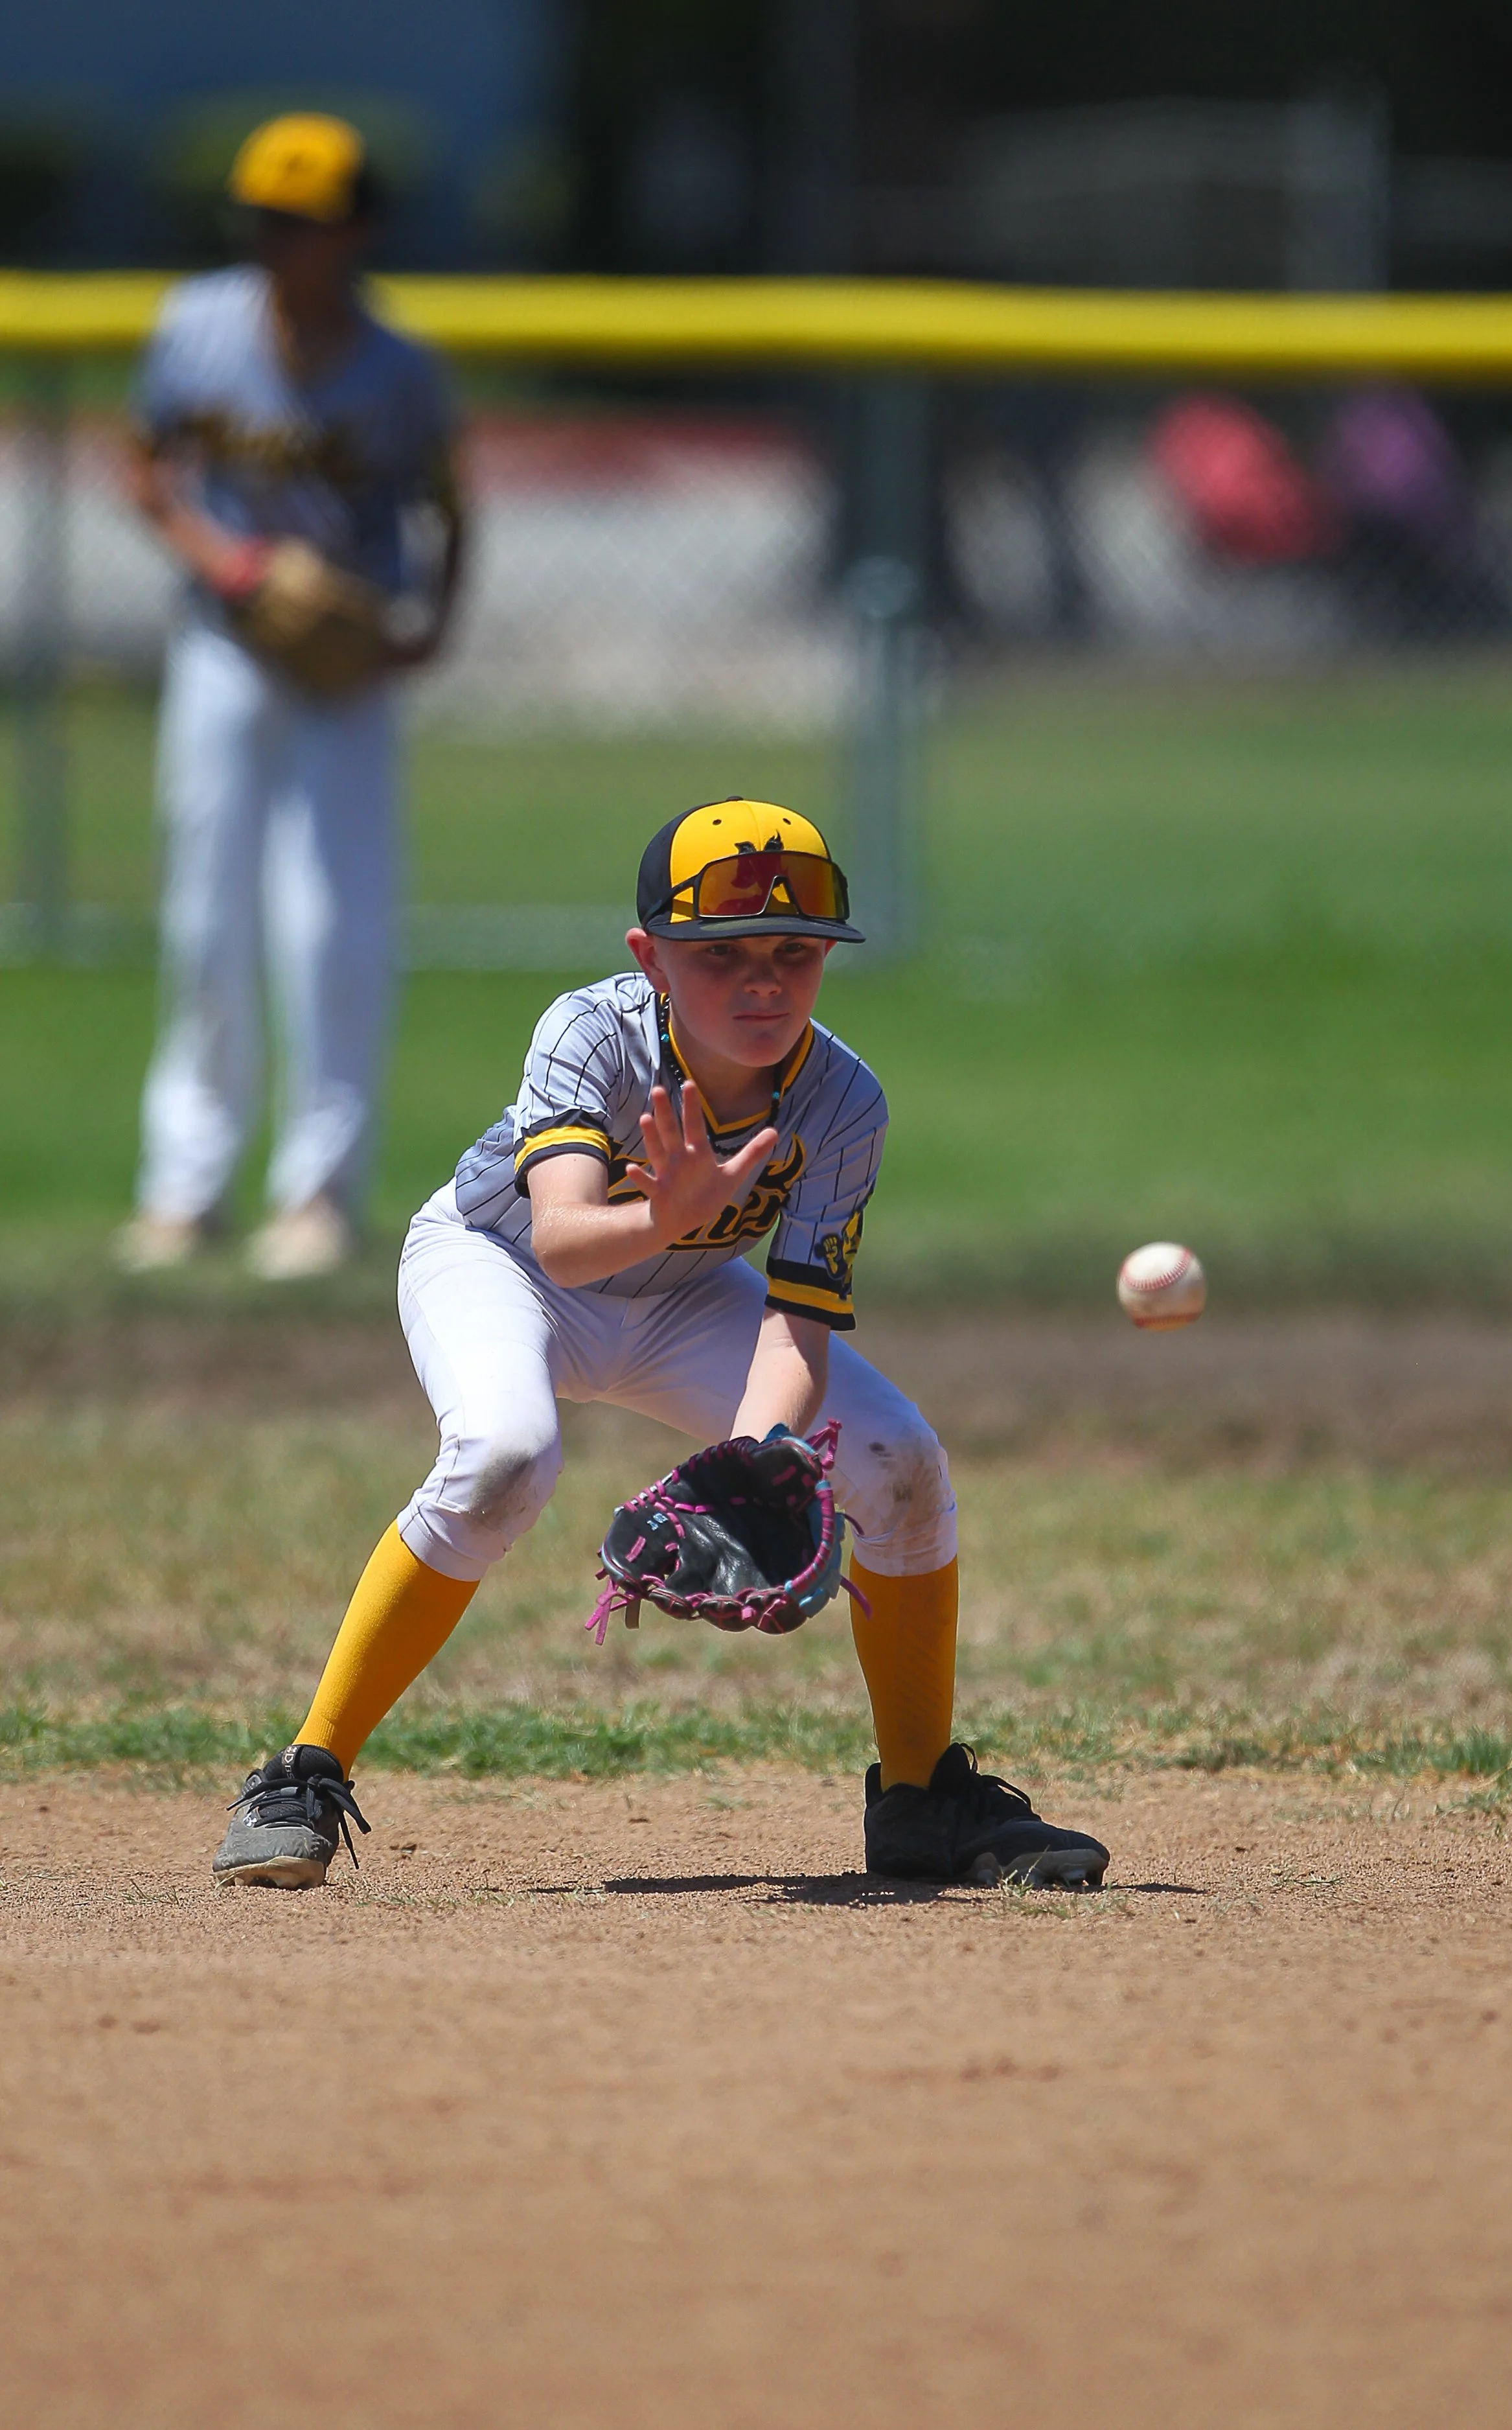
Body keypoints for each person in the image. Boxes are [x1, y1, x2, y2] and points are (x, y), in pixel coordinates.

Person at [209, 800, 1112, 1889]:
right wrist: (669, 1214)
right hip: (502, 1266)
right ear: (651, 958)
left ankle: (923, 1802)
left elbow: (800, 1314)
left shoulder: (844, 1099)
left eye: (796, 952)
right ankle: (300, 1776)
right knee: (504, 1455)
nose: (764, 981)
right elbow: (564, 1239)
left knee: (903, 1463)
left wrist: (753, 1457)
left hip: (688, 1294)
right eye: (721, 954)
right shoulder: (593, 1032)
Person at [115, 114, 465, 1280]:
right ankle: (184, 1189)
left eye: (299, 223)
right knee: (205, 920)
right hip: (225, 645)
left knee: (332, 928)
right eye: (261, 219)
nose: (275, 241)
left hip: (345, 664)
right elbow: (145, 466)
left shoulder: (399, 368)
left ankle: (317, 1192)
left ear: (353, 230)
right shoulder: (195, 325)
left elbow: (454, 507)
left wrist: (428, 631)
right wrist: (225, 559)